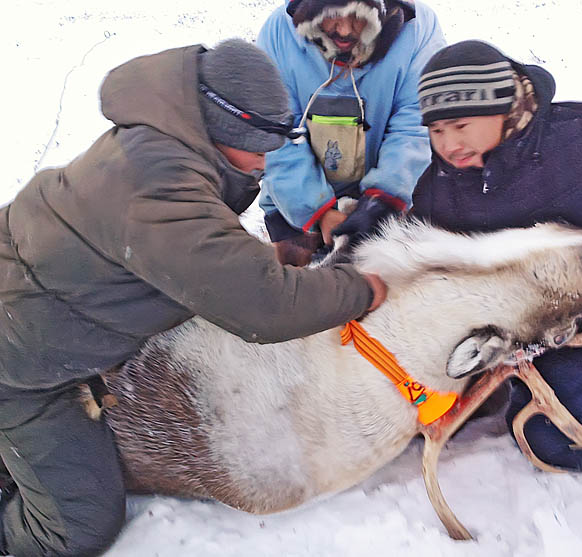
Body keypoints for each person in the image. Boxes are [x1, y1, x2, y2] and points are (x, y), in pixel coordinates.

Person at [0, 38, 388, 557]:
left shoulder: (156, 148)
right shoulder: (161, 182)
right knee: (77, 525)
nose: (265, 162)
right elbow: (266, 309)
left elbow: (170, 258)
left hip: (25, 313)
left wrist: (267, 260)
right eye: (260, 144)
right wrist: (360, 289)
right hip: (21, 368)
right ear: (227, 127)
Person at [412, 39, 582, 474]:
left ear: (502, 107)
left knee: (569, 439)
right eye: (436, 131)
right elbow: (419, 251)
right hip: (524, 326)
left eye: (460, 125)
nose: (449, 145)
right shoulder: (441, 188)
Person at [257, 0, 446, 265]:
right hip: (294, 201)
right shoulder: (279, 32)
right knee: (296, 290)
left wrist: (382, 202)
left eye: (359, 17)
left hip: (387, 201)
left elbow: (415, 123)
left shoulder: (418, 29)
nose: (344, 31)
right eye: (331, 17)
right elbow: (276, 130)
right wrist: (318, 210)